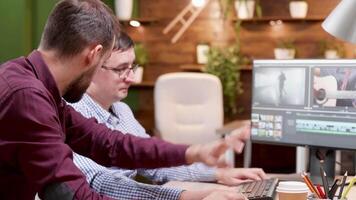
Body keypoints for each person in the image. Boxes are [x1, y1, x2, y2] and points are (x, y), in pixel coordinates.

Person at [0, 0, 249, 199]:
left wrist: (195, 152)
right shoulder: (27, 98)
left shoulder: (37, 87)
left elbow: (110, 144)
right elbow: (72, 194)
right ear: (94, 55)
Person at [69, 31, 267, 199]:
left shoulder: (122, 110)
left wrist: (218, 174)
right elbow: (99, 183)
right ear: (91, 67)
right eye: (121, 69)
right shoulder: (72, 115)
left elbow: (154, 165)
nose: (131, 78)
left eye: (132, 68)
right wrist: (188, 195)